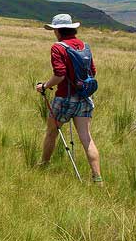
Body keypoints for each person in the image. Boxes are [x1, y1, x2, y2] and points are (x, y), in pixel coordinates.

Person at [35, 14, 102, 184]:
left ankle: (43, 164)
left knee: (51, 132)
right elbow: (92, 72)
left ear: (57, 30)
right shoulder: (84, 46)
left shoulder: (58, 48)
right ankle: (97, 178)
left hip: (65, 98)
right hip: (85, 98)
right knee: (86, 138)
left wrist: (44, 86)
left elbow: (60, 75)